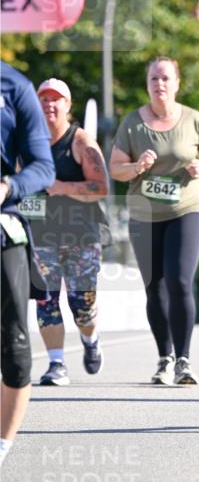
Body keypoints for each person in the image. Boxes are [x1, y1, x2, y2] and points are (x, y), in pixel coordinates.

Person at [110, 57, 199, 385]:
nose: (160, 84)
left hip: (186, 210)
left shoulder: (193, 119)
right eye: (154, 79)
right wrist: (138, 167)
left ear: (177, 83)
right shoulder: (132, 123)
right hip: (144, 214)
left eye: (166, 78)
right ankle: (164, 357)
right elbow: (116, 168)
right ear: (148, 84)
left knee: (180, 281)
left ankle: (184, 359)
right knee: (154, 287)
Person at [29, 79, 109, 386]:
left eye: (56, 99)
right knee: (45, 300)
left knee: (82, 306)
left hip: (82, 236)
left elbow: (101, 187)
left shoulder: (80, 142)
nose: (49, 104)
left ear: (68, 105)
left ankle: (90, 339)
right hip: (41, 234)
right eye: (44, 99)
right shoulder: (27, 141)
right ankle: (56, 363)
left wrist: (62, 188)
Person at [1, 63, 55, 464]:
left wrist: (9, 186)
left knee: (15, 347)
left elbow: (43, 166)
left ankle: (1, 449)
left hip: (4, 227)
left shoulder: (15, 86)